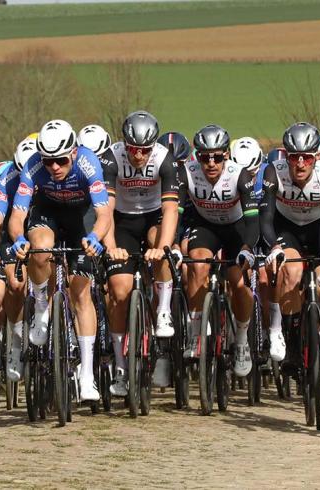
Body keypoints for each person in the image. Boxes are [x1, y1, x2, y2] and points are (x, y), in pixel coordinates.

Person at [8, 119, 112, 401]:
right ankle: (42, 304)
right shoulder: (33, 166)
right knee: (39, 249)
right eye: (49, 161)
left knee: (81, 294)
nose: (54, 167)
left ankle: (87, 375)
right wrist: (19, 239)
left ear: (74, 153)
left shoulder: (89, 163)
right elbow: (17, 216)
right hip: (48, 214)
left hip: (81, 218)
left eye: (61, 161)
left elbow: (104, 214)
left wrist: (95, 238)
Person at [100, 110, 180, 394]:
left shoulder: (163, 158)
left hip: (153, 217)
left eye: (144, 150)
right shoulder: (111, 158)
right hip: (121, 221)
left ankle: (162, 311)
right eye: (133, 149)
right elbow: (105, 209)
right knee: (119, 290)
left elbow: (170, 209)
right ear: (125, 144)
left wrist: (163, 249)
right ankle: (121, 367)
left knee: (161, 246)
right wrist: (110, 247)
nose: (138, 156)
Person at [176, 125, 259, 377]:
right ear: (196, 156)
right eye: (204, 157)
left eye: (217, 157)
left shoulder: (239, 175)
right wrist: (173, 243)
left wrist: (247, 248)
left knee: (237, 281)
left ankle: (242, 340)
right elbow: (176, 215)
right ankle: (196, 332)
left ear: (226, 155)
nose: (211, 163)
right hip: (206, 226)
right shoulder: (185, 173)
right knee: (197, 265)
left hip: (236, 228)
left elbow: (253, 221)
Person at [259, 123, 320, 381]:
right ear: (286, 156)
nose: (300, 164)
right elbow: (266, 217)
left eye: (306, 157)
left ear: (316, 156)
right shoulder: (274, 171)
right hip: (287, 229)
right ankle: (292, 346)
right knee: (290, 273)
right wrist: (274, 247)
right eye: (294, 157)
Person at [0, 137, 38, 382]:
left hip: (42, 232)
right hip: (11, 237)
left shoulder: (49, 175)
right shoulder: (8, 179)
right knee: (14, 287)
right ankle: (12, 344)